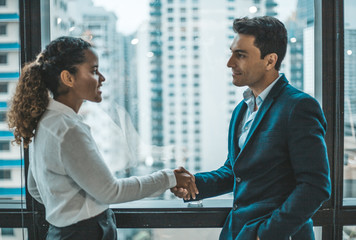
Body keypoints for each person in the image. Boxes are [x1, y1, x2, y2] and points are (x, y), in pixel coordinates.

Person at [7, 36, 198, 240]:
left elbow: (35, 188)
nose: (102, 78)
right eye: (94, 71)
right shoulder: (68, 129)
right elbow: (110, 191)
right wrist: (169, 178)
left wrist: (65, 208)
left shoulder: (47, 121)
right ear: (68, 78)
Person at [171, 16, 331, 240]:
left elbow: (315, 186)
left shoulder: (299, 107)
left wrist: (265, 235)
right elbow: (235, 172)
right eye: (232, 52)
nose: (230, 63)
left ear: (270, 60)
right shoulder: (242, 109)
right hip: (237, 232)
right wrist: (194, 185)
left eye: (241, 55)